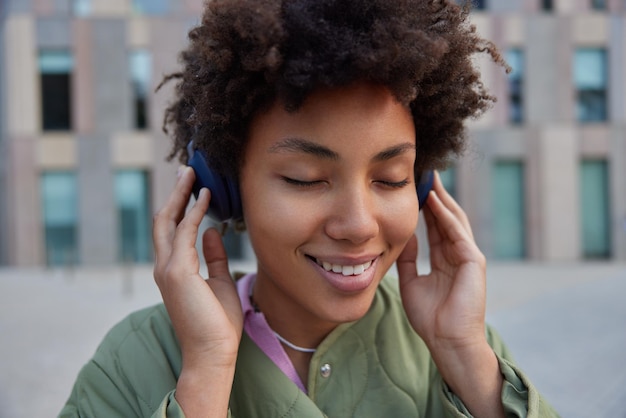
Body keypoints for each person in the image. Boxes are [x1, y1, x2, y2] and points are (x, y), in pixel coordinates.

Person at [60, 0, 560, 417]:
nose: (359, 224)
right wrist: (207, 373)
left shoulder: (461, 342)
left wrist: (465, 360)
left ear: (424, 184)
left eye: (390, 179)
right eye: (305, 179)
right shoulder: (132, 363)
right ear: (227, 186)